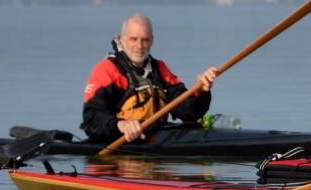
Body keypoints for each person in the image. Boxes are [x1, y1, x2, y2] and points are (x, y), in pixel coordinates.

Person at [81, 13, 217, 143]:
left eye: (145, 40)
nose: (139, 46)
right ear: (122, 39)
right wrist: (120, 125)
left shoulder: (160, 69)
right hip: (120, 148)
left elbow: (189, 114)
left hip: (157, 142)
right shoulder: (106, 70)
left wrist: (201, 91)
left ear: (152, 41)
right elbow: (91, 120)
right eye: (133, 39)